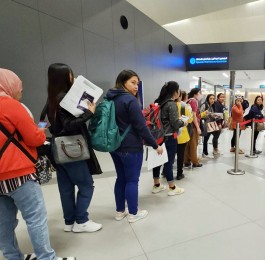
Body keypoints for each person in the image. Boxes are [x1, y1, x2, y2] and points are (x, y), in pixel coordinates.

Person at [0, 68, 75, 260]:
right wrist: (41, 130)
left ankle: (12, 256)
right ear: (9, 85)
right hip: (18, 173)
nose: (20, 92)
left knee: (3, 222)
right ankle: (46, 257)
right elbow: (34, 139)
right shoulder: (10, 105)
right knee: (35, 218)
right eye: (20, 88)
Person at [46, 63, 102, 233]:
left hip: (57, 149)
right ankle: (81, 221)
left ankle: (69, 221)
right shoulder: (64, 99)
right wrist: (89, 113)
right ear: (67, 77)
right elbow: (69, 126)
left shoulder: (52, 98)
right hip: (71, 150)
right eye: (71, 74)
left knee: (66, 187)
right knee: (86, 185)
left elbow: (51, 124)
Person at [107, 70, 163, 222]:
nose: (136, 86)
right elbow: (141, 127)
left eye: (137, 83)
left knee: (121, 178)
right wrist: (155, 145)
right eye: (133, 82)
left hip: (114, 146)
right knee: (132, 180)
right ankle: (133, 213)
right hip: (131, 147)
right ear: (123, 82)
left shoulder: (110, 98)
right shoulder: (130, 101)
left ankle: (120, 211)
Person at [152, 81, 186, 196]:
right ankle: (172, 187)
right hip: (169, 137)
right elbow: (175, 124)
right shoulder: (171, 104)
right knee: (168, 162)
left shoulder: (159, 102)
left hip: (158, 137)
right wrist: (183, 122)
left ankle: (156, 185)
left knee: (157, 161)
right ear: (175, 91)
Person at [184, 88, 203, 168]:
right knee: (194, 144)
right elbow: (194, 116)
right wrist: (198, 127)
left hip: (188, 125)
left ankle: (187, 161)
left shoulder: (188, 101)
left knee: (188, 144)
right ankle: (195, 162)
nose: (200, 94)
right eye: (199, 93)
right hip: (193, 126)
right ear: (195, 94)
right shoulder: (194, 101)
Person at [176, 91, 193, 180]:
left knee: (169, 154)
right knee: (180, 155)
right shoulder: (184, 106)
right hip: (181, 134)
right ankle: (179, 173)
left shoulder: (167, 105)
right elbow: (190, 120)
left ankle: (165, 171)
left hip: (170, 134)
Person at [200, 94, 217, 159]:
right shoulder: (205, 105)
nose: (212, 100)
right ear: (208, 99)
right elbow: (200, 115)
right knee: (205, 139)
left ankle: (205, 152)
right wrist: (209, 115)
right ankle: (205, 152)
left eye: (213, 99)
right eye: (211, 98)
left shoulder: (212, 106)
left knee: (206, 139)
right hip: (205, 124)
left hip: (210, 124)